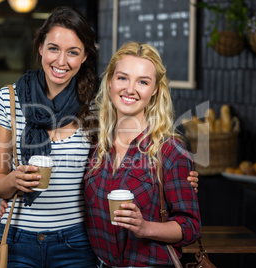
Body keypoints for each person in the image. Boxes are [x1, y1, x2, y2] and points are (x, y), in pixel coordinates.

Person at [0, 6, 199, 268]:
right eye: (53, 48)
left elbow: (183, 213)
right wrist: (12, 182)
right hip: (21, 237)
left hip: (77, 244)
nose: (61, 61)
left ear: (85, 56)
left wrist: (179, 176)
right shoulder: (8, 100)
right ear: (40, 47)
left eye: (73, 52)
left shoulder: (91, 110)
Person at [84, 41, 201, 268]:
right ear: (110, 82)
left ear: (155, 89)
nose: (130, 89)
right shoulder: (95, 145)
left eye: (143, 82)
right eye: (122, 78)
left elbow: (191, 226)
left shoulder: (170, 150)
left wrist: (145, 227)